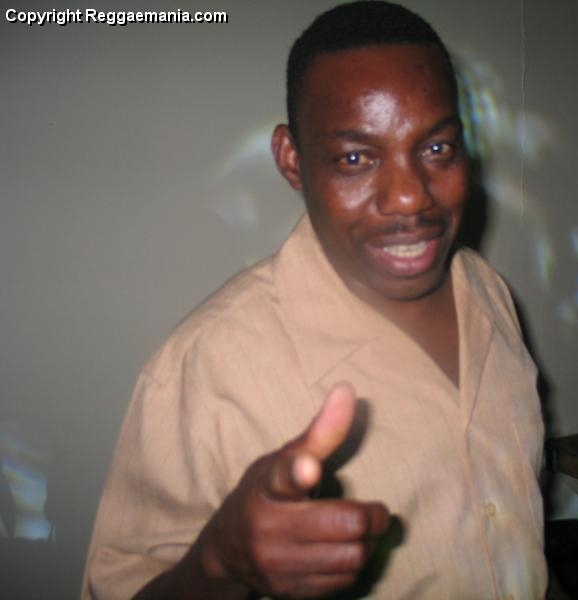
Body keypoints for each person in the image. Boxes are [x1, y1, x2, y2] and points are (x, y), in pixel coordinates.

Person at [81, 2, 547, 598]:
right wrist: (219, 566)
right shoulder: (204, 371)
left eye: (437, 149)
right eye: (355, 158)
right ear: (292, 161)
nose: (410, 197)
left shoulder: (487, 293)